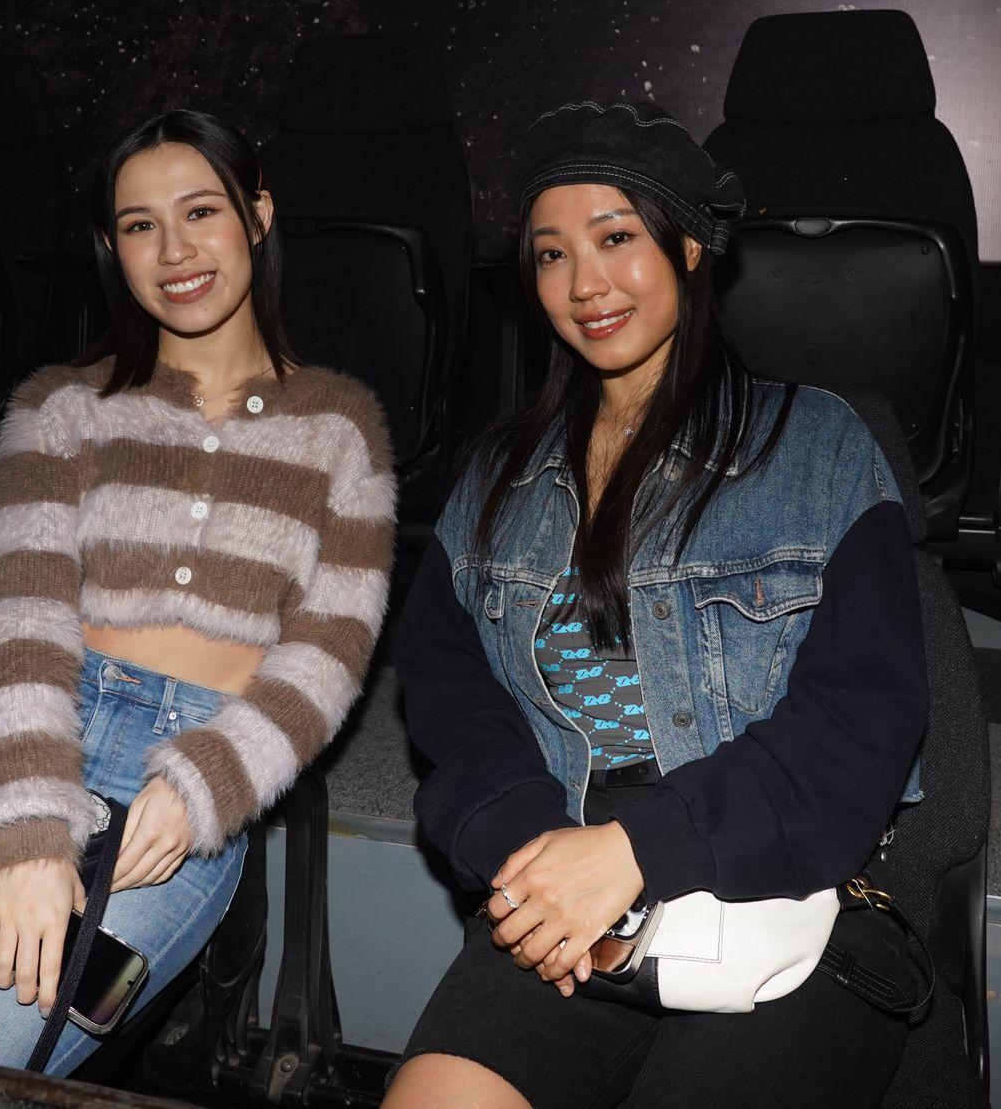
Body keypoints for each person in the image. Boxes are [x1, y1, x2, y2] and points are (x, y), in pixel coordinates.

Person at [0, 110, 396, 1091]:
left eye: (200, 211)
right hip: (22, 734)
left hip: (187, 780)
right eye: (139, 225)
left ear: (257, 216)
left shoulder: (342, 426)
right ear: (110, 245)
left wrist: (207, 785)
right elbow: (24, 622)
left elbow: (329, 653)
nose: (173, 250)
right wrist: (28, 826)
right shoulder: (60, 406)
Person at [385, 100, 928, 1108]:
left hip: (779, 886)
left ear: (687, 247)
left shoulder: (817, 449)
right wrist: (530, 850)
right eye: (551, 255)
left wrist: (640, 850)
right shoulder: (496, 475)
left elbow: (860, 721)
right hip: (561, 877)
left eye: (615, 238)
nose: (583, 284)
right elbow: (449, 694)